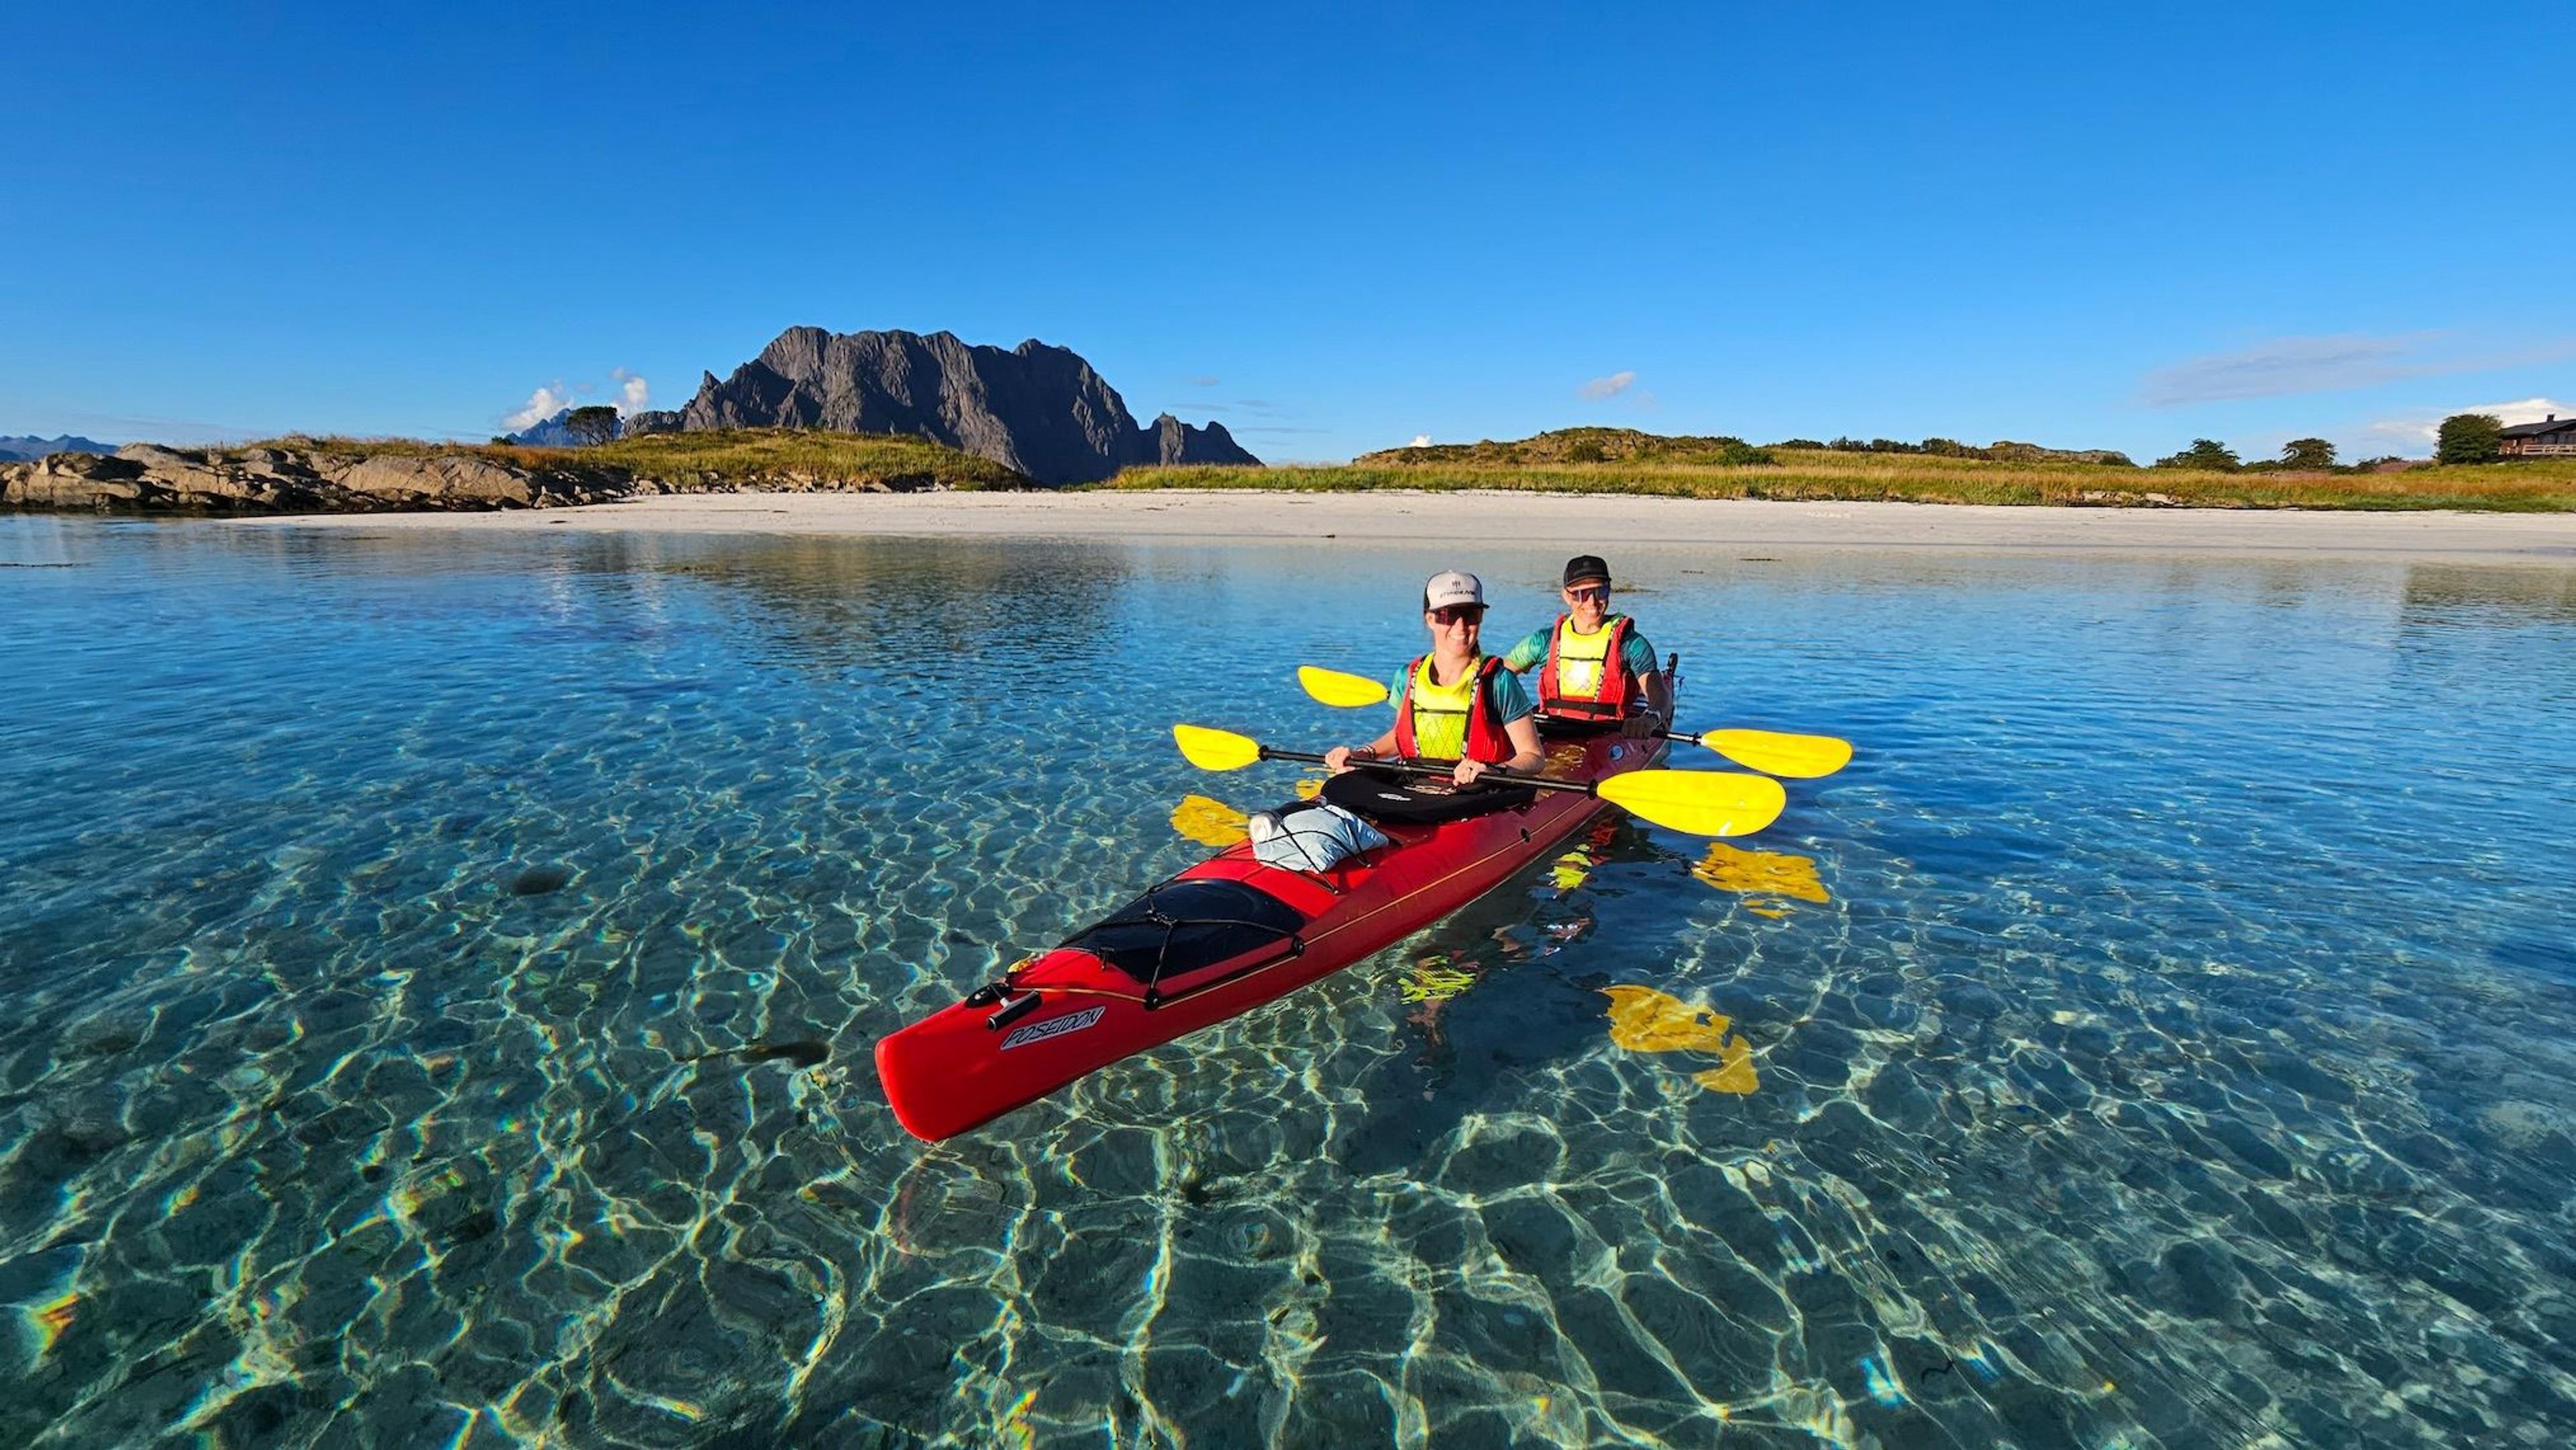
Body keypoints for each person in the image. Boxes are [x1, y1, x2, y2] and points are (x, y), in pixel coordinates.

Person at [1324, 570, 1545, 787]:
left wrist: (1494, 770)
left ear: (1481, 618)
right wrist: (1365, 753)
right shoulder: (1406, 676)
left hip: (1478, 792)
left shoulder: (1499, 681)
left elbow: (1533, 757)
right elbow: (1403, 736)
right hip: (1416, 785)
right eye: (1448, 615)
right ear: (1430, 619)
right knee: (1337, 787)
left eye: (1470, 615)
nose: (1460, 627)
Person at [1502, 554, 1671, 738]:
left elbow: (1659, 696)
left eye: (1600, 591)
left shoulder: (1631, 644)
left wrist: (1650, 718)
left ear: (1609, 590)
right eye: (1581, 594)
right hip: (1551, 732)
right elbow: (1498, 676)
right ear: (1567, 596)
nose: (1592, 602)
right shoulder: (1542, 641)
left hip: (1608, 735)